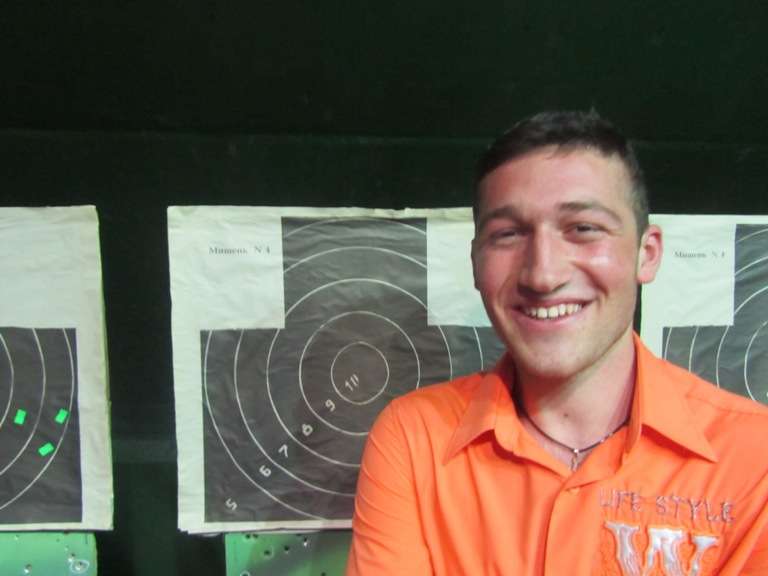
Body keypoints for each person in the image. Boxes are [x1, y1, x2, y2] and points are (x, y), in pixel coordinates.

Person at [345, 110, 768, 575]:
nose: (542, 275)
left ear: (646, 255)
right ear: (475, 263)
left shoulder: (755, 458)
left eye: (583, 229)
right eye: (508, 235)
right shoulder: (415, 438)